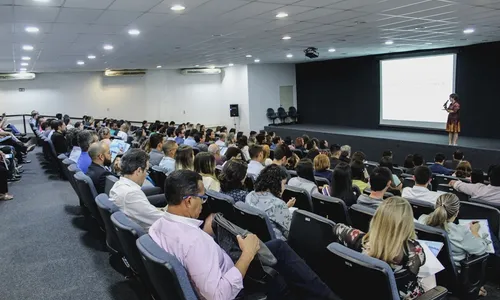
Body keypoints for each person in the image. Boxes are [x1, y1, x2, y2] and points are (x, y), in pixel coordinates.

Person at [149, 170, 337, 300]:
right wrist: (247, 255)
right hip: (236, 288)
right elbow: (219, 296)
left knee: (278, 247)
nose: (204, 204)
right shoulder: (194, 242)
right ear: (188, 201)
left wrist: (206, 233)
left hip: (218, 269)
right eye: (203, 198)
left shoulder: (157, 227)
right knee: (280, 262)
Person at [333, 197, 426, 299]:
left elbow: (336, 228)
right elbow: (418, 266)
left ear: (377, 218)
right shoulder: (414, 250)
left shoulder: (358, 240)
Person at [418, 193, 489, 264]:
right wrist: (474, 232)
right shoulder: (461, 234)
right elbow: (481, 248)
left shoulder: (421, 220)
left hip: (428, 264)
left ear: (435, 207)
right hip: (453, 272)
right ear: (457, 213)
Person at [109, 149, 165, 229]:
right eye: (146, 170)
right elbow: (160, 219)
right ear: (138, 171)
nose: (146, 175)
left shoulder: (118, 184)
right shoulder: (131, 193)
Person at [246, 165, 295, 240]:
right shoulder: (278, 204)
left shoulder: (250, 195)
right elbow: (291, 232)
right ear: (276, 183)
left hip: (255, 238)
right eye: (284, 184)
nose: (284, 188)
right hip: (277, 242)